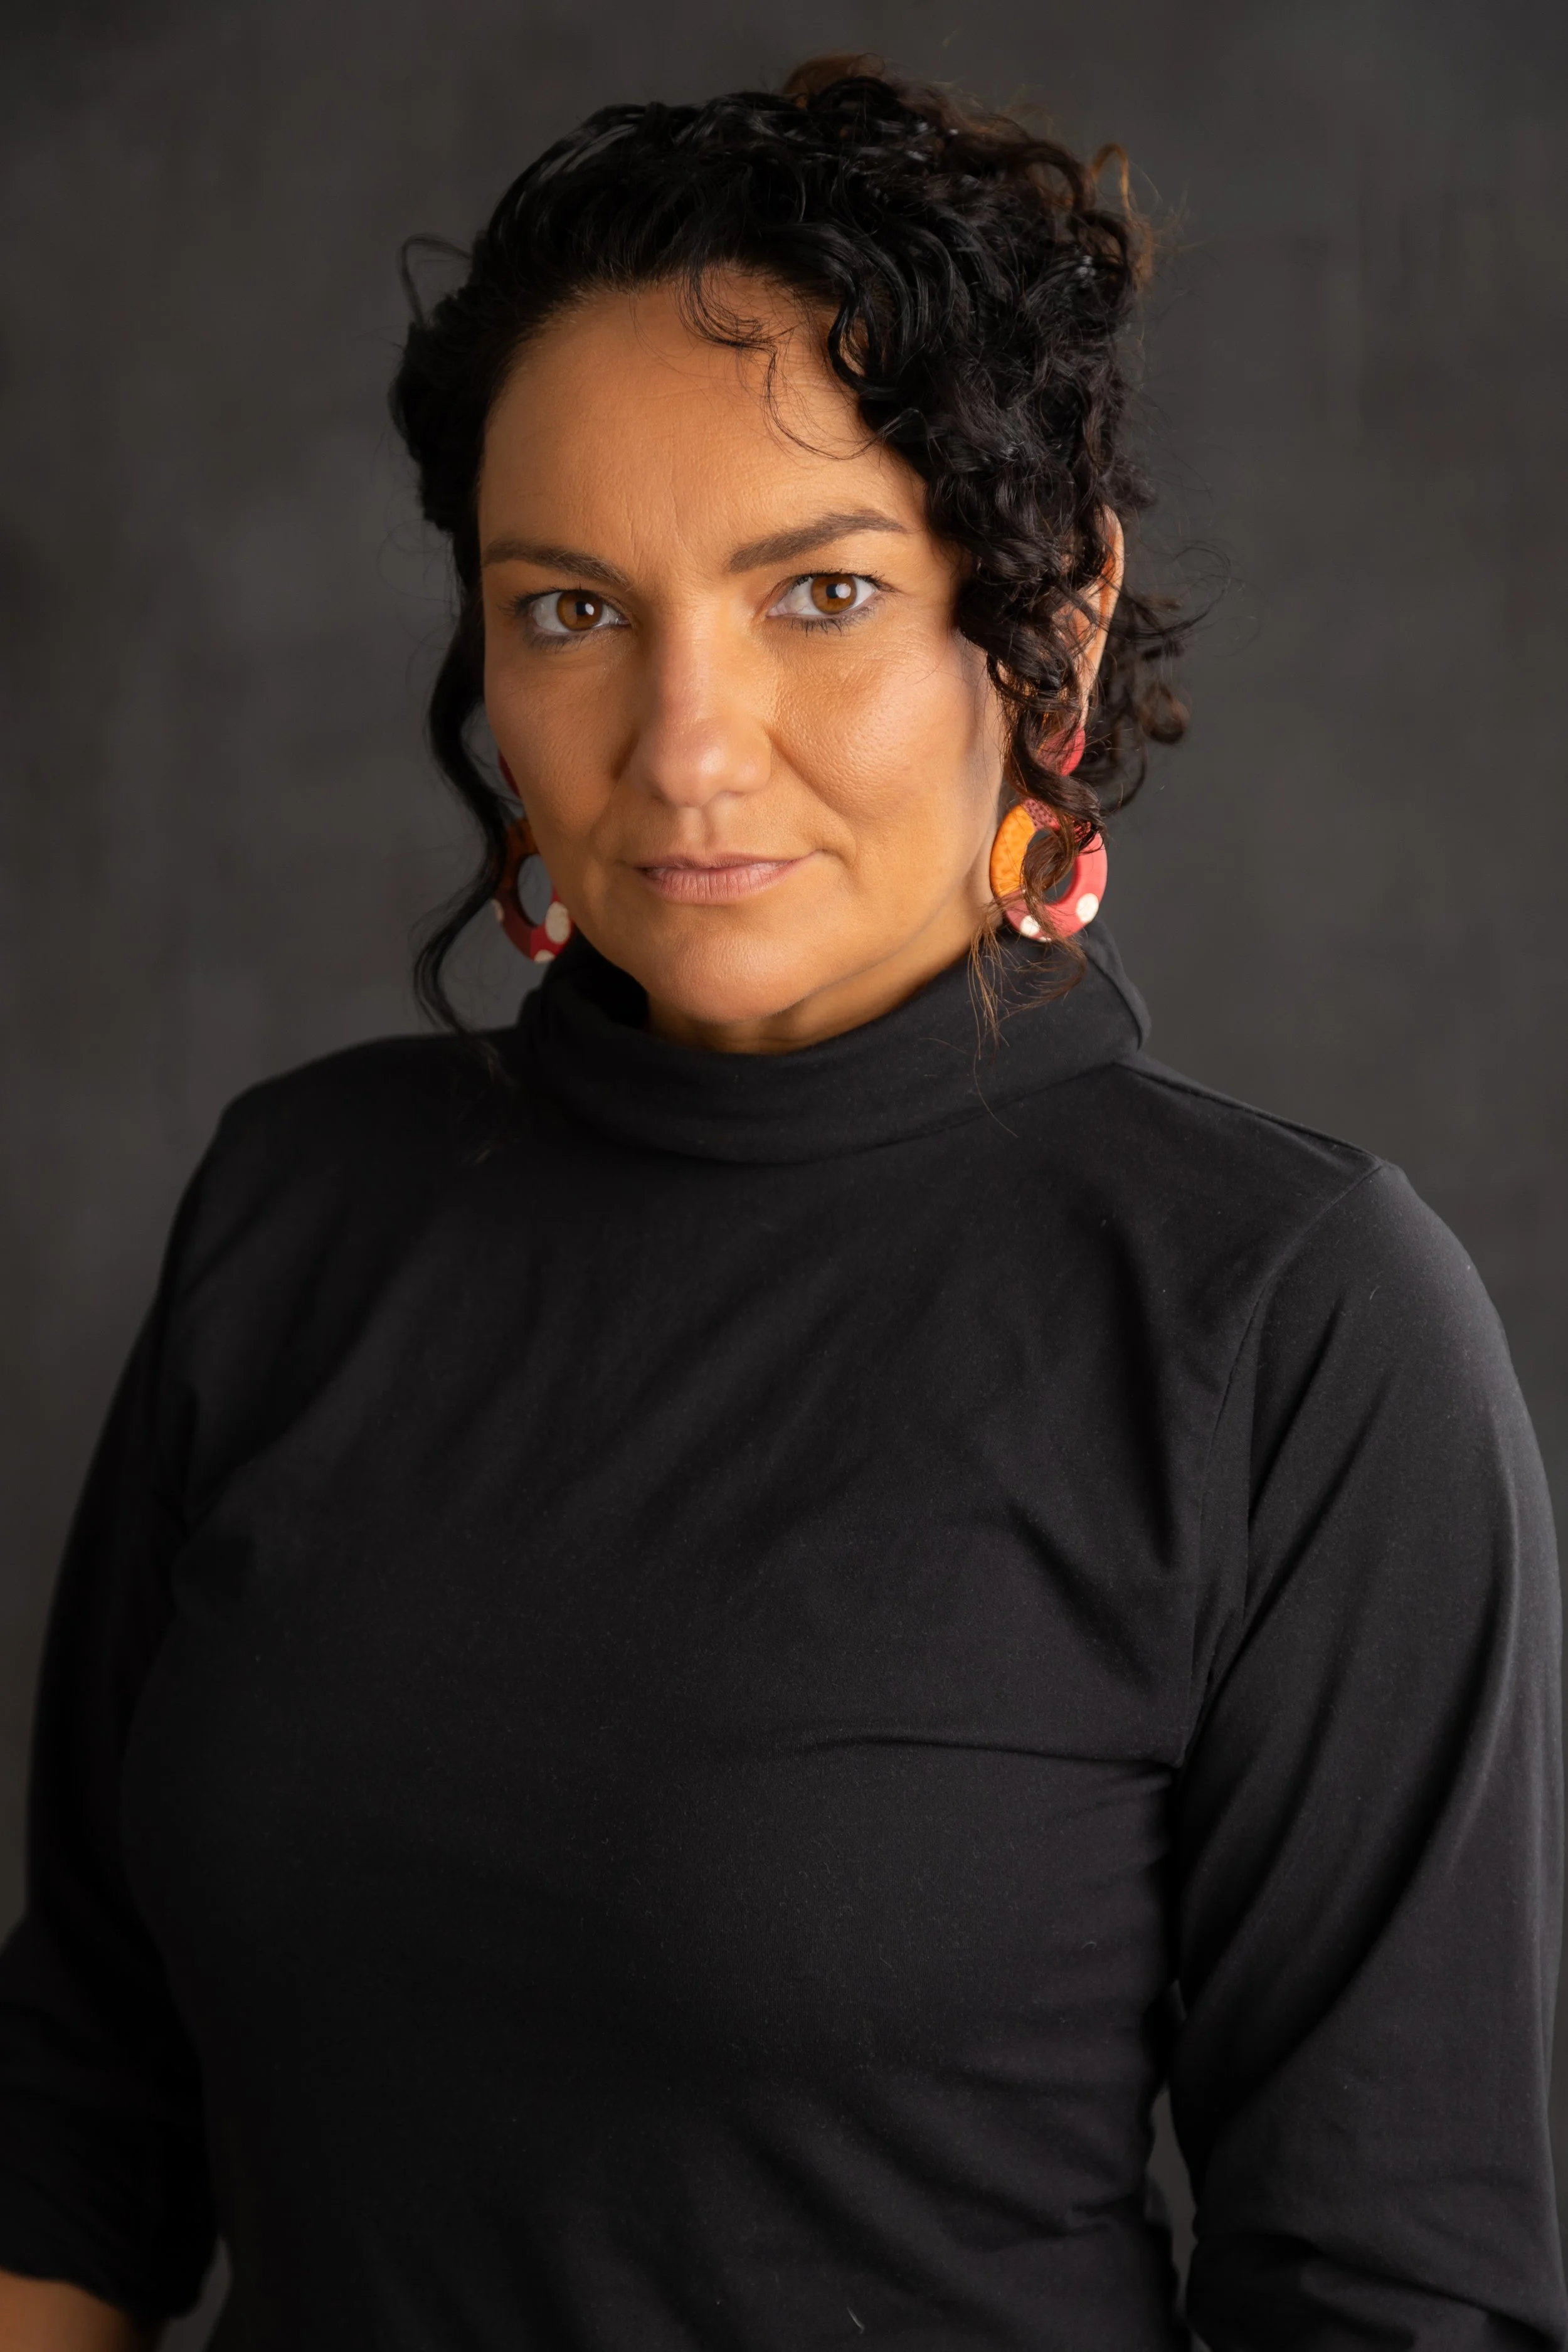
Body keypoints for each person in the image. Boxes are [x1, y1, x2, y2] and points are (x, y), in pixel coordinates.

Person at [0, 55, 1560, 2352]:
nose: (684, 744)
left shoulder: (1284, 1323)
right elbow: (80, 2103)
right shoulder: (299, 1211)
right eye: (567, 612)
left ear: (1047, 613)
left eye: (817, 589)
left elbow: (1393, 2299)